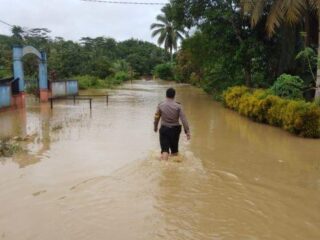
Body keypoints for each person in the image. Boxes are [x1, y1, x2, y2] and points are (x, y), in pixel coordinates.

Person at [154, 87, 190, 160]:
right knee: (174, 151)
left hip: (164, 129)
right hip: (175, 130)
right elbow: (184, 119)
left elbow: (156, 117)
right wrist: (187, 131)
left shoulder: (160, 105)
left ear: (166, 95)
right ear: (174, 96)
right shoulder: (178, 106)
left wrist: (155, 127)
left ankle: (164, 166)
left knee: (165, 150)